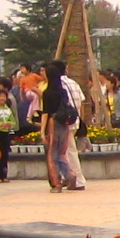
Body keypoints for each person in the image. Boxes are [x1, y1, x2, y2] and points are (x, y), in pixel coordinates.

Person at [40, 61, 84, 193]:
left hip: (53, 124)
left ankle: (56, 183)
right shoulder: (63, 91)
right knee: (62, 153)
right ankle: (70, 175)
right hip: (65, 123)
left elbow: (46, 113)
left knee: (52, 155)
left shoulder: (47, 93)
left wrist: (42, 131)